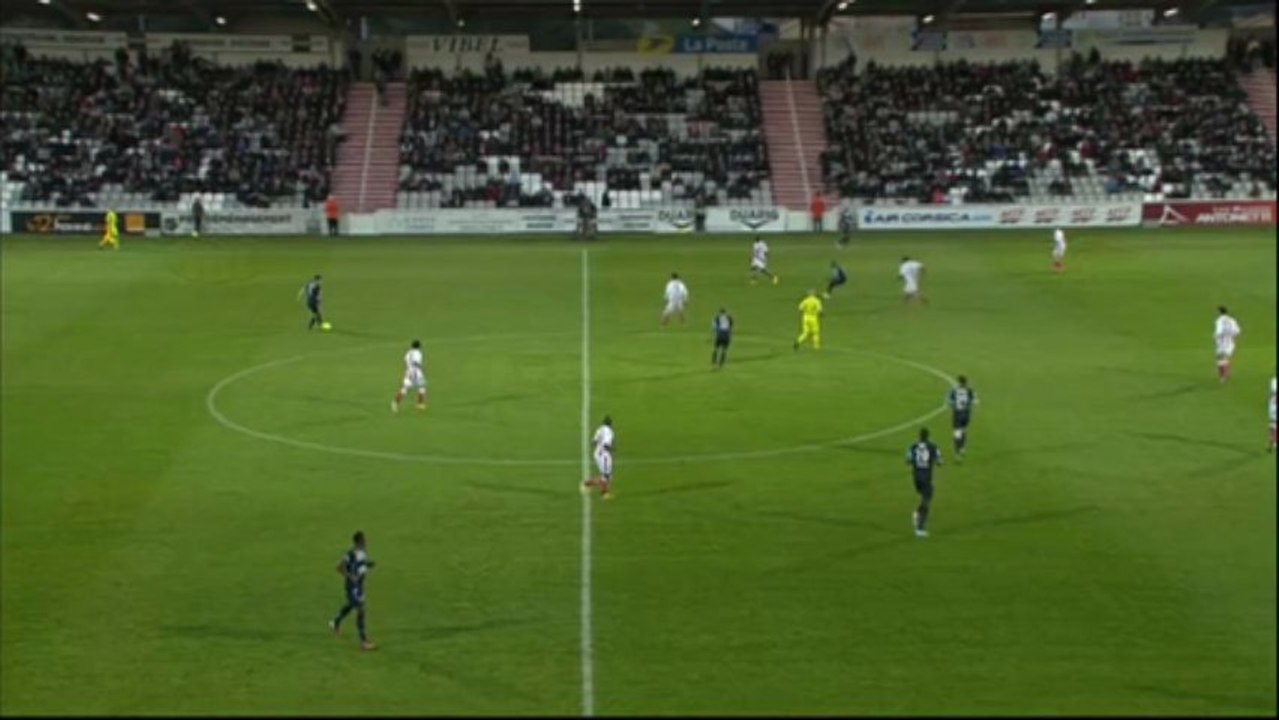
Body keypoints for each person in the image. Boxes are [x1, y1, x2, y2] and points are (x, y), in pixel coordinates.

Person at [329, 530, 376, 651]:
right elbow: (339, 567)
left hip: (359, 586)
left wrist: (368, 564)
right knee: (361, 610)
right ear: (359, 541)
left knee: (351, 605)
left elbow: (360, 566)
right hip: (352, 586)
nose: (366, 541)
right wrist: (350, 576)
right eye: (364, 539)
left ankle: (335, 622)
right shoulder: (350, 554)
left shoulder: (362, 554)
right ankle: (363, 641)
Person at [907, 428, 943, 538]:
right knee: (927, 500)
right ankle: (920, 528)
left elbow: (908, 460)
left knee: (925, 498)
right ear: (928, 437)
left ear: (919, 436)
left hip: (916, 478)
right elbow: (940, 462)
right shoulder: (933, 447)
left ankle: (917, 514)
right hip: (926, 478)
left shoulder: (912, 446)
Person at [582, 416, 615, 499]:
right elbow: (606, 445)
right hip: (604, 455)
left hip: (597, 454)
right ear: (610, 424)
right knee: (606, 476)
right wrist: (613, 449)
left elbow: (593, 442)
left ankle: (604, 493)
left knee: (607, 476)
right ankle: (587, 484)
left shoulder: (599, 429)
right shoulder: (609, 431)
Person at [948, 375, 978, 460]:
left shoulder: (954, 391)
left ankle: (957, 453)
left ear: (959, 382)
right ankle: (962, 448)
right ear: (966, 382)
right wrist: (969, 403)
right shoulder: (970, 391)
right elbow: (976, 401)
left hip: (957, 414)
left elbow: (949, 401)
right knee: (964, 430)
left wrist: (954, 405)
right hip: (966, 414)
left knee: (957, 433)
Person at [392, 340, 427, 412]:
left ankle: (395, 403)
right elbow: (415, 362)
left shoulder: (408, 353)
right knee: (421, 388)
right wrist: (421, 366)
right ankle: (420, 405)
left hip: (409, 371)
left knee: (406, 389)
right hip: (416, 373)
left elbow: (406, 360)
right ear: (419, 346)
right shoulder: (418, 353)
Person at [1214, 306, 1242, 383]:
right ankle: (1226, 374)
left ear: (1220, 312)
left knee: (1220, 359)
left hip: (1222, 343)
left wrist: (1216, 338)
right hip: (1230, 343)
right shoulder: (1232, 320)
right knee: (1225, 358)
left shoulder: (1219, 320)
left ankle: (1223, 377)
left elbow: (1219, 332)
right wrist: (1233, 339)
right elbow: (1238, 332)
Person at [1268, 375, 1276, 453]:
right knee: (1272, 424)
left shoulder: (1273, 380)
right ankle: (1273, 441)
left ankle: (1273, 441)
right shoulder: (1274, 380)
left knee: (1273, 425)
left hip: (1273, 407)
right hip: (1273, 407)